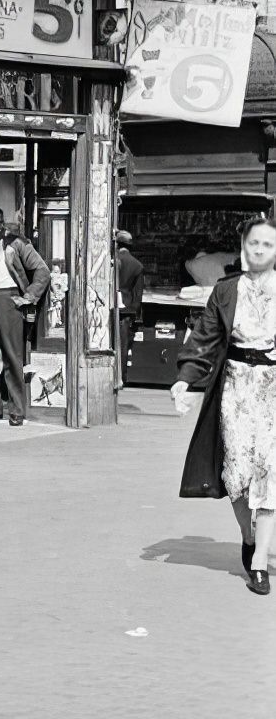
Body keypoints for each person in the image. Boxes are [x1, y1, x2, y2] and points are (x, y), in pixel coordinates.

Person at [172, 215, 276, 596]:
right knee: (237, 480)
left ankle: (260, 563)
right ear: (244, 248)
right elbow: (206, 336)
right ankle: (247, 536)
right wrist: (186, 377)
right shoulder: (227, 290)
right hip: (233, 389)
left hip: (272, 391)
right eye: (254, 244)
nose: (260, 250)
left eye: (268, 244)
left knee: (268, 475)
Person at [0, 208, 50, 426]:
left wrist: (29, 296)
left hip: (9, 299)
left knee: (11, 357)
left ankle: (16, 409)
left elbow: (42, 270)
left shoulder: (17, 243)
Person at [116, 230, 144, 388]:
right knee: (123, 345)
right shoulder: (137, 265)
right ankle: (121, 377)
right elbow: (138, 294)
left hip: (108, 305)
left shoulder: (112, 261)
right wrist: (134, 311)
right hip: (125, 309)